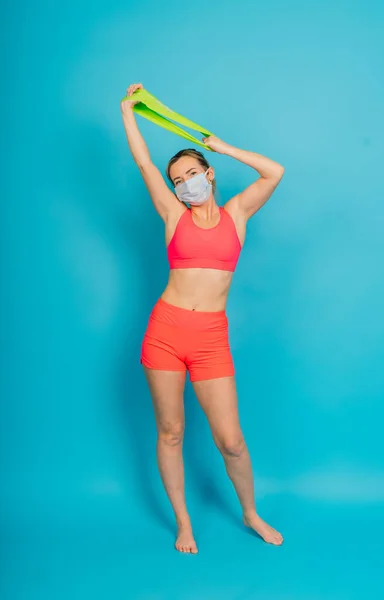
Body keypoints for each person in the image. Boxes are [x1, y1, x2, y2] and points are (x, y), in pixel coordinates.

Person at [121, 83, 285, 554]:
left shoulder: (237, 214)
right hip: (166, 332)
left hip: (211, 337)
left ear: (209, 174)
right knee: (171, 432)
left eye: (191, 173)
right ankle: (183, 523)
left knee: (231, 441)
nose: (184, 183)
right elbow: (143, 163)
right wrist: (129, 112)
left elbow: (274, 173)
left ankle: (251, 513)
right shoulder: (174, 214)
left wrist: (224, 146)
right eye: (178, 179)